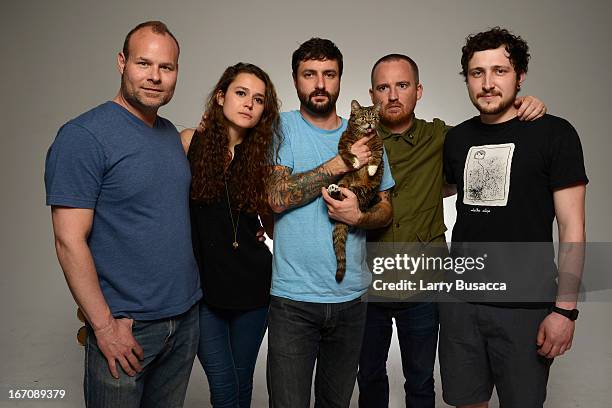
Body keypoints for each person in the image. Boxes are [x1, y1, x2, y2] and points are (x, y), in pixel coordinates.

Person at [358, 54, 547, 408]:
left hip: (426, 283)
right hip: (369, 279)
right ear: (372, 94)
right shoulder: (357, 142)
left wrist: (526, 106)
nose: (393, 95)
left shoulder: (444, 138)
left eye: (402, 85)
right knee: (368, 375)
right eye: (383, 87)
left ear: (419, 91)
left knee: (421, 378)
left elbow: (492, 135)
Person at [44, 21, 201, 408]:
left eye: (167, 67)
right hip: (127, 328)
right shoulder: (83, 136)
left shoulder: (168, 134)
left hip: (183, 321)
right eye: (143, 63)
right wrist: (103, 326)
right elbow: (68, 240)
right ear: (121, 63)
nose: (155, 77)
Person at [440, 27, 587, 408]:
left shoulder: (555, 134)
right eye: (477, 73)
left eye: (500, 71)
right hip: (461, 305)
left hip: (526, 308)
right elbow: (428, 193)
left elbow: (573, 228)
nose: (488, 84)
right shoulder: (456, 139)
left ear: (519, 76)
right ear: (467, 79)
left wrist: (565, 310)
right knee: (465, 402)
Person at [265, 38, 396, 407]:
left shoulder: (369, 135)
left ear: (340, 79)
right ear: (295, 80)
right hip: (293, 301)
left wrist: (359, 216)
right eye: (310, 74)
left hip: (351, 300)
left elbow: (386, 207)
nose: (320, 84)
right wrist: (342, 163)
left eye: (329, 74)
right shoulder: (280, 127)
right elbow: (276, 198)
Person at [179, 62, 280, 408]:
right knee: (223, 386)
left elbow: (272, 224)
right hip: (203, 290)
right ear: (221, 96)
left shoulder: (263, 160)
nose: (249, 103)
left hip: (253, 287)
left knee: (241, 381)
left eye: (258, 99)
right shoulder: (189, 142)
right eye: (240, 93)